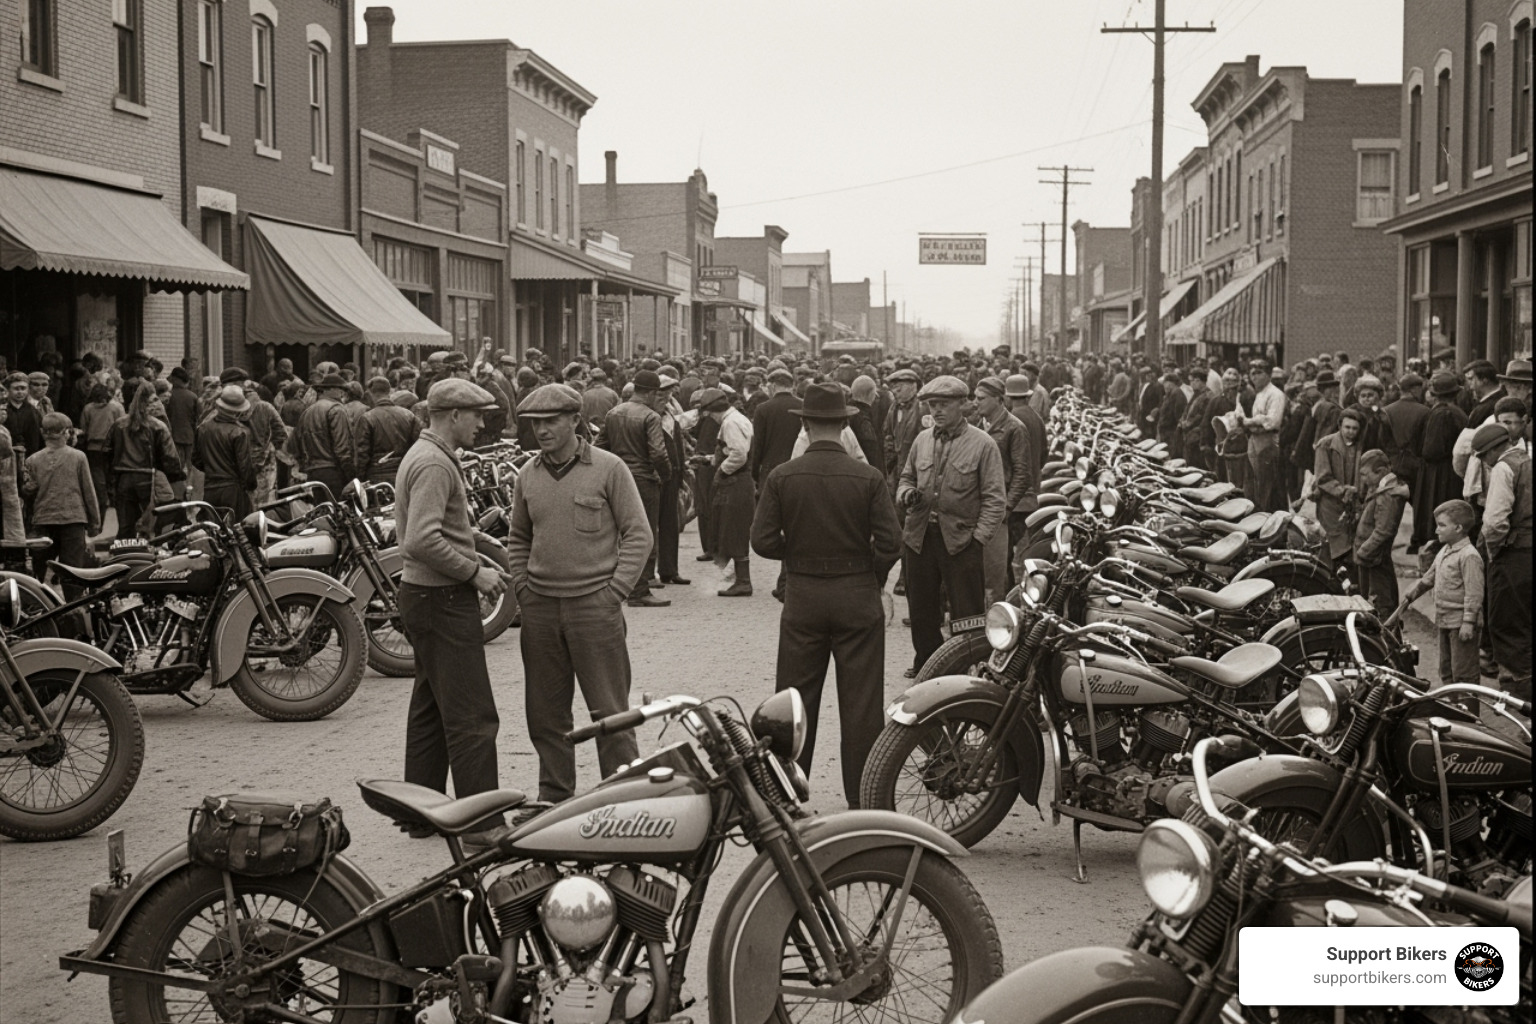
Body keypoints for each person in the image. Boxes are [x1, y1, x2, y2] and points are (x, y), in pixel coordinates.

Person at [751, 383, 902, 807]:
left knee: (795, 704)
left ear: (804, 423)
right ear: (845, 424)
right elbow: (891, 542)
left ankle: (785, 796)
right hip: (857, 593)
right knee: (862, 705)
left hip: (804, 596)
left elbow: (762, 541)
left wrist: (797, 552)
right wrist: (868, 572)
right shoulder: (868, 477)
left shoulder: (783, 475)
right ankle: (865, 800)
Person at [505, 383, 652, 804]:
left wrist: (614, 592)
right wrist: (523, 587)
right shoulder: (527, 476)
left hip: (595, 609)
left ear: (575, 420)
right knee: (546, 714)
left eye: (552, 422)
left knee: (610, 711)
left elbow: (638, 534)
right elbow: (518, 537)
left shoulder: (609, 468)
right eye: (535, 424)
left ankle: (623, 796)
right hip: (541, 611)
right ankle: (554, 797)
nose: (543, 431)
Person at [396, 378, 509, 851]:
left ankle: (420, 812)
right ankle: (481, 824)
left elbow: (436, 530)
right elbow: (421, 538)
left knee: (430, 706)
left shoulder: (427, 457)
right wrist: (473, 573)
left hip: (423, 596)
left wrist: (475, 549)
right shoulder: (434, 463)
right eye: (476, 415)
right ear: (452, 416)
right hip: (442, 598)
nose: (482, 424)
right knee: (472, 715)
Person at [896, 375, 1006, 677]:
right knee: (921, 610)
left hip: (961, 541)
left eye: (944, 404)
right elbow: (905, 477)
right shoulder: (922, 440)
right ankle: (927, 665)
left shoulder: (983, 444)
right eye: (933, 405)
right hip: (920, 538)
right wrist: (905, 493)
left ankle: (964, 668)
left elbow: (995, 499)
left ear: (963, 404)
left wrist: (978, 539)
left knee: (967, 614)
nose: (938, 410)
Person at [1390, 500, 1483, 705]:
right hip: (1444, 619)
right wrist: (1414, 591)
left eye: (1441, 525)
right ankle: (1454, 708)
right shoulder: (1445, 550)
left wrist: (1469, 621)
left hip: (1461, 624)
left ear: (1458, 528)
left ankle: (1470, 716)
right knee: (1447, 669)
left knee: (1464, 675)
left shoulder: (1469, 556)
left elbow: (1474, 593)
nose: (1436, 530)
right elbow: (1430, 577)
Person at [598, 369, 671, 607]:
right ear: (650, 393)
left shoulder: (614, 413)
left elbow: (599, 447)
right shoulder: (651, 417)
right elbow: (658, 453)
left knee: (619, 533)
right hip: (644, 480)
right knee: (645, 534)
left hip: (618, 479)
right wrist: (666, 475)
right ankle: (640, 589)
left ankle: (620, 584)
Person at [1472, 420, 1532, 700]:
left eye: (1483, 456)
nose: (1484, 462)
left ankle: (1523, 700)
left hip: (1514, 555)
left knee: (1507, 625)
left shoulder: (1503, 469)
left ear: (1492, 451)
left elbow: (1495, 522)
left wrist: (1492, 553)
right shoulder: (1528, 462)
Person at [21, 412, 100, 591]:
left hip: (43, 519)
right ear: (67, 432)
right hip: (73, 518)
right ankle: (73, 608)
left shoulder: (32, 460)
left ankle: (38, 606)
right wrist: (94, 521)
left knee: (40, 569)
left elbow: (28, 493)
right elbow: (88, 491)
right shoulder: (78, 457)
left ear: (43, 433)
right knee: (73, 570)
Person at [974, 376, 1031, 601]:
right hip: (978, 506)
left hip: (998, 508)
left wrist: (1006, 507)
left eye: (981, 399)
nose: (976, 402)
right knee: (981, 567)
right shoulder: (979, 426)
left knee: (999, 567)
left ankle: (1003, 616)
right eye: (975, 398)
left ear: (999, 400)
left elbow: (1022, 474)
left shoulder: (1014, 428)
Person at [108, 385, 184, 539]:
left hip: (123, 478)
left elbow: (107, 451)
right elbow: (170, 457)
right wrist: (176, 477)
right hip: (148, 478)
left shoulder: (119, 424)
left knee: (125, 525)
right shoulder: (158, 426)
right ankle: (148, 556)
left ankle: (125, 556)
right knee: (151, 524)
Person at [700, 387, 755, 596]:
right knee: (733, 528)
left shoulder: (730, 423)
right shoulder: (735, 419)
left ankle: (743, 581)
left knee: (735, 530)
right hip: (739, 481)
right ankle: (738, 577)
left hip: (736, 481)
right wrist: (708, 460)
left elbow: (739, 455)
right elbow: (730, 451)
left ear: (712, 411)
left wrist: (721, 471)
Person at [1412, 372, 1468, 551]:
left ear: (1434, 394)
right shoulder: (1459, 412)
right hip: (1453, 472)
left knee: (1438, 515)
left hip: (1439, 474)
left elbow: (1431, 450)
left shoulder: (1440, 414)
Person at [1352, 448, 1409, 617]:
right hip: (1371, 558)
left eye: (1365, 475)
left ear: (1380, 472)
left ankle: (1386, 641)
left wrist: (1363, 552)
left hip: (1374, 558)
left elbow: (1384, 531)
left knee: (1381, 605)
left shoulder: (1387, 495)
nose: (1362, 479)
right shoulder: (1378, 487)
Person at [194, 386, 257, 520]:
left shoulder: (203, 428)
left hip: (211, 488)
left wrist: (212, 468)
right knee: (238, 530)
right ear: (237, 412)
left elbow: (196, 459)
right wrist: (251, 485)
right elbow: (245, 466)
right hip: (232, 489)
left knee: (214, 530)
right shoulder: (239, 432)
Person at [1313, 407, 1364, 570]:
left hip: (1351, 503)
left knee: (1349, 545)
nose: (1351, 432)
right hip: (1330, 503)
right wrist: (1342, 490)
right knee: (1334, 545)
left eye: (1355, 428)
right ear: (1340, 426)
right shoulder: (1326, 444)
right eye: (1347, 427)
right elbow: (1322, 477)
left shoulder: (1359, 447)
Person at [293, 373, 355, 500]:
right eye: (341, 389)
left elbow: (295, 446)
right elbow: (342, 449)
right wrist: (351, 476)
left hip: (313, 474)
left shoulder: (307, 412)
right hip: (333, 473)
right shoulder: (337, 409)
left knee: (322, 514)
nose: (343, 393)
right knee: (340, 514)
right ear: (330, 389)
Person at [357, 377, 421, 486]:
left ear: (370, 394)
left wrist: (360, 478)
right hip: (404, 472)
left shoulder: (367, 418)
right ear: (389, 392)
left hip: (377, 475)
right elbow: (417, 446)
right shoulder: (408, 415)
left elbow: (362, 453)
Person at [1243, 360, 1286, 512]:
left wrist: (1251, 421)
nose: (1254, 377)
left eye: (1259, 373)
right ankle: (1258, 515)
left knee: (1267, 484)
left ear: (1268, 375)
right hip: (1255, 439)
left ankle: (1269, 516)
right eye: (1252, 373)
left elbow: (1273, 421)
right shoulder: (1260, 394)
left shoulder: (1276, 394)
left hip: (1269, 442)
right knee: (1254, 481)